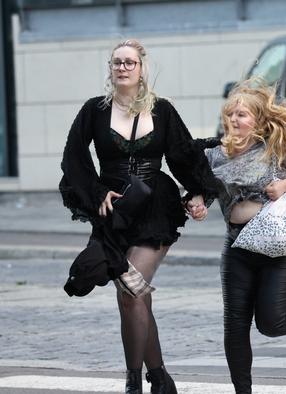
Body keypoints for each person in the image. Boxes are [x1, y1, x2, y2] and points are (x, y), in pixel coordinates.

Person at [59, 39, 215, 394]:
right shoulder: (94, 110)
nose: (123, 68)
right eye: (117, 62)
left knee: (131, 287)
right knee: (135, 296)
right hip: (113, 209)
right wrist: (97, 193)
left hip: (155, 205)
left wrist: (197, 194)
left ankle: (133, 383)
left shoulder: (162, 110)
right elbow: (73, 157)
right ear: (110, 68)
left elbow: (183, 155)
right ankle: (158, 379)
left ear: (141, 68)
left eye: (130, 62)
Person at [188, 79, 286, 393]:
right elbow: (201, 191)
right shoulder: (213, 155)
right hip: (237, 245)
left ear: (258, 120)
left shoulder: (275, 146)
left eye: (242, 114)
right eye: (231, 114)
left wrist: (283, 185)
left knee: (271, 322)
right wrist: (196, 204)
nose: (235, 119)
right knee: (235, 325)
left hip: (278, 245)